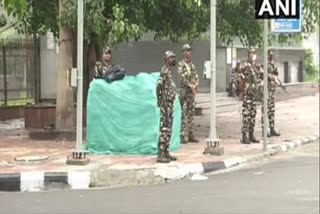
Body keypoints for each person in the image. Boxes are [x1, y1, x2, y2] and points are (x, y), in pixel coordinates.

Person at [157, 50, 178, 163]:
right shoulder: (164, 71)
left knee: (169, 128)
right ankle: (161, 154)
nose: (173, 59)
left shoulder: (169, 71)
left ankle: (166, 152)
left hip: (169, 104)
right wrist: (160, 100)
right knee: (164, 128)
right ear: (166, 59)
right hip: (165, 104)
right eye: (171, 58)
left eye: (174, 57)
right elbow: (159, 86)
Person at [178, 44, 199, 144]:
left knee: (191, 113)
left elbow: (196, 76)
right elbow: (182, 77)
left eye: (190, 50)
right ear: (183, 52)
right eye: (187, 50)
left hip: (191, 93)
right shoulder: (181, 64)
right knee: (184, 113)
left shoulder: (192, 65)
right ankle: (182, 135)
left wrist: (196, 85)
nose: (189, 52)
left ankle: (191, 134)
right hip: (184, 92)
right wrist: (190, 86)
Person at [240, 47, 262, 144]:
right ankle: (244, 136)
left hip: (253, 95)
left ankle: (251, 134)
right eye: (251, 53)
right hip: (247, 94)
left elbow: (259, 77)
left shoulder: (255, 67)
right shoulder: (246, 65)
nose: (252, 55)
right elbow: (241, 78)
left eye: (254, 53)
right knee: (246, 115)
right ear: (248, 54)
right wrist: (242, 91)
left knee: (253, 115)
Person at [260, 50, 281, 137]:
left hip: (272, 91)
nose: (271, 57)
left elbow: (276, 74)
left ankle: (272, 129)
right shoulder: (263, 65)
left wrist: (276, 80)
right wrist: (270, 76)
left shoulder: (273, 65)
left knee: (272, 110)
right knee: (265, 110)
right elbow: (261, 73)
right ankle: (265, 130)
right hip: (266, 90)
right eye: (270, 55)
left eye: (272, 55)